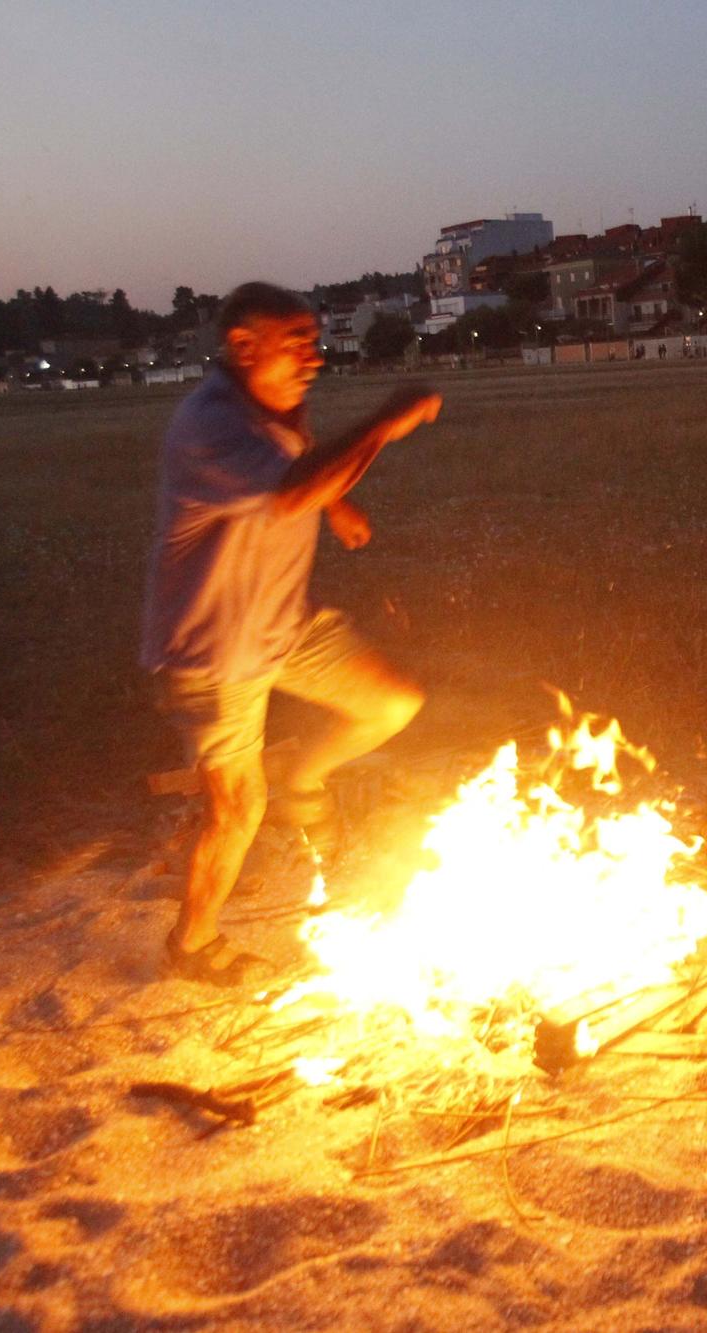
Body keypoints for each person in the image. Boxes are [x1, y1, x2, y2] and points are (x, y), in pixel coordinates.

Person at [141, 281, 442, 986]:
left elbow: (302, 463)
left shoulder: (272, 405)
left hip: (283, 625)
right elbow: (289, 488)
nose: (315, 352)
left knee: (393, 702)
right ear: (244, 346)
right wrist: (384, 423)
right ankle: (192, 944)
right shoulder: (208, 426)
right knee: (237, 807)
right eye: (297, 339)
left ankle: (303, 775)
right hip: (213, 650)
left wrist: (340, 507)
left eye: (315, 335)